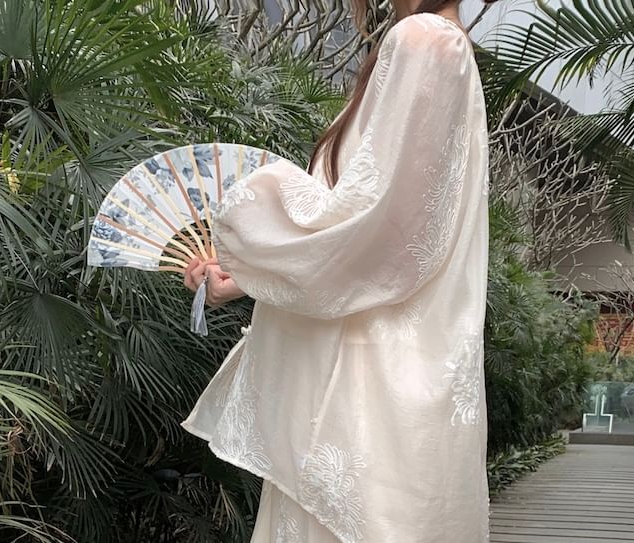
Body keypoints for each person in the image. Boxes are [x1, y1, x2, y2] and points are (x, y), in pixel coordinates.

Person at [181, 0, 493, 540]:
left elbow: (377, 228)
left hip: (360, 388)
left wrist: (254, 210)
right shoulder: (440, 47)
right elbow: (381, 235)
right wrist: (251, 275)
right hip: (372, 380)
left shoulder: (424, 41)